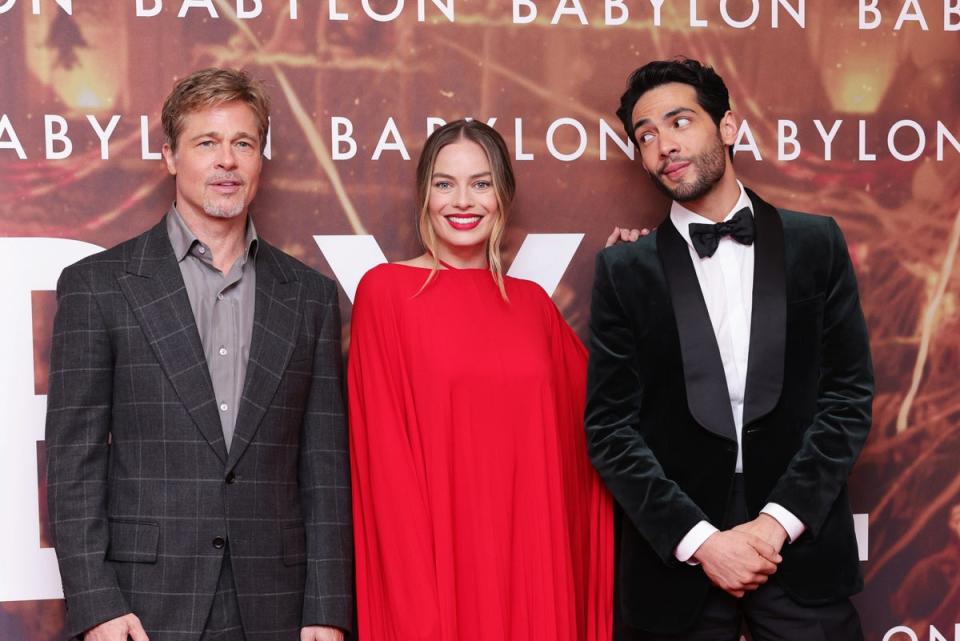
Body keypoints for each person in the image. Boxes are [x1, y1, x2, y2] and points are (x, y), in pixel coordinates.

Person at [45, 68, 352, 641]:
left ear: (261, 157)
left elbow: (326, 469)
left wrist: (327, 609)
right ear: (169, 155)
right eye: (207, 143)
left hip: (278, 607)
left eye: (243, 143)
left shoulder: (309, 295)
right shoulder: (99, 285)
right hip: (141, 606)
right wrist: (96, 604)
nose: (227, 161)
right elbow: (72, 463)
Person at [585, 57, 874, 640]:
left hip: (800, 542)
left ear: (728, 127)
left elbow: (847, 396)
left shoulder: (816, 243)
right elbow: (610, 429)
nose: (663, 144)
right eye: (646, 135)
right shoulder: (624, 270)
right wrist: (703, 543)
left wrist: (773, 527)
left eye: (679, 121)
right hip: (677, 555)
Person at [347, 119, 613, 641]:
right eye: (444, 184)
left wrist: (635, 278)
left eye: (481, 183)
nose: (462, 201)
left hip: (529, 574)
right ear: (424, 195)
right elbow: (383, 466)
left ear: (503, 196)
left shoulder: (534, 305)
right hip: (437, 585)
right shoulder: (385, 293)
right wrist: (414, 612)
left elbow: (606, 416)